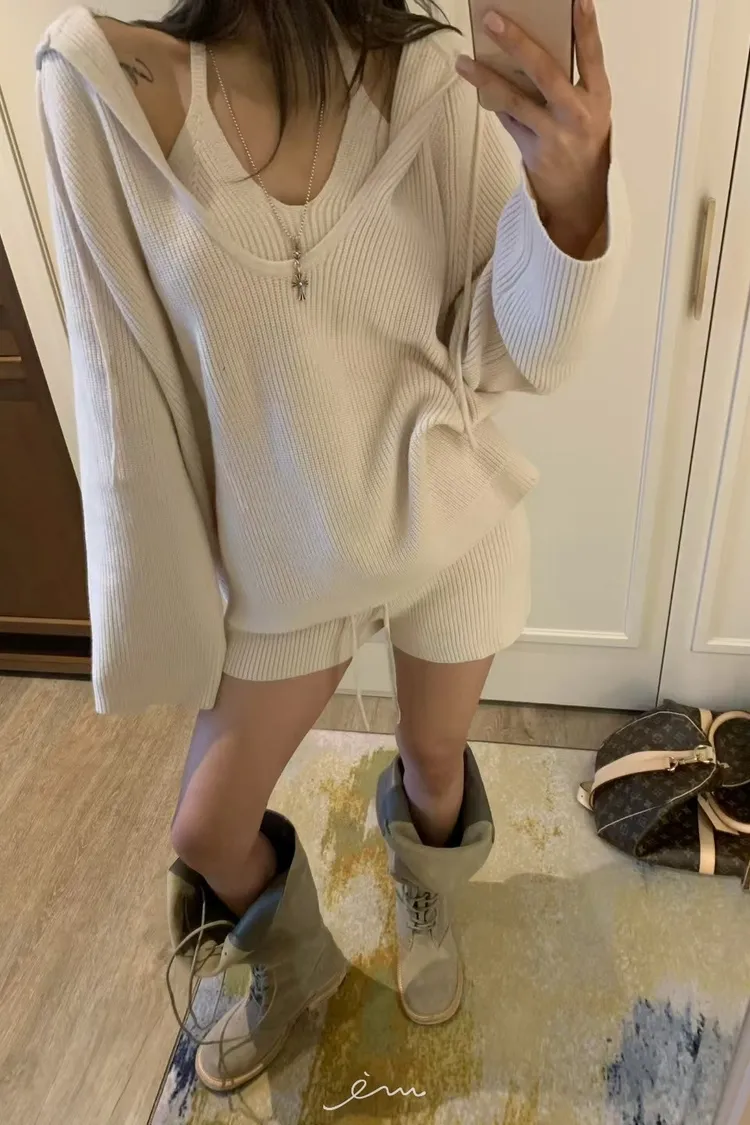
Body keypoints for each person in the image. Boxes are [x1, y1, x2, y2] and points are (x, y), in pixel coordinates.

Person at [37, 0, 626, 1093]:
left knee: (435, 762)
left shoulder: (431, 76)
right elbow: (123, 398)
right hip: (288, 558)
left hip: (444, 513)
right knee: (207, 830)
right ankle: (294, 959)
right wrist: (171, 626)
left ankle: (425, 898)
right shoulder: (107, 89)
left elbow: (518, 352)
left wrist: (573, 199)